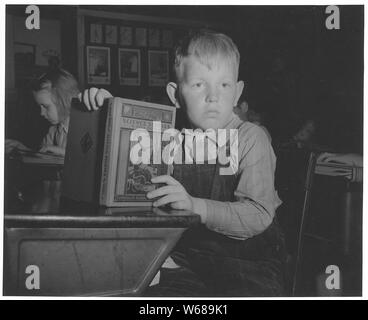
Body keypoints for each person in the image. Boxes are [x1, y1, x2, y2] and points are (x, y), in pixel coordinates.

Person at [82, 30, 286, 296]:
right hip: (184, 260)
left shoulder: (250, 138)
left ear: (237, 93)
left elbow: (257, 215)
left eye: (224, 85)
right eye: (199, 84)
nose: (213, 96)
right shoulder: (169, 135)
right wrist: (107, 107)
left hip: (249, 265)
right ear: (175, 94)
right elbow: (127, 137)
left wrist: (194, 206)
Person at [6, 69, 80, 156]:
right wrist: (22, 149)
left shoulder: (82, 128)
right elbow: (43, 154)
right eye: (39, 107)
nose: (41, 113)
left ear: (65, 100)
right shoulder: (53, 131)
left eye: (46, 106)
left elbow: (86, 158)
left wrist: (60, 151)